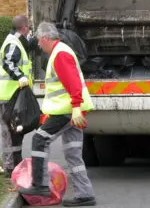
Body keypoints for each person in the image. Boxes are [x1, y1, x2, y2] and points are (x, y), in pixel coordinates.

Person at [19, 22, 97, 207]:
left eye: (39, 41)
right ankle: (85, 194)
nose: (38, 45)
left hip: (67, 111)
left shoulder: (60, 54)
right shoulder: (61, 51)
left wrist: (76, 106)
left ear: (46, 38)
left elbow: (73, 82)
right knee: (73, 154)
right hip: (72, 111)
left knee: (39, 139)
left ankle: (40, 185)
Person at [0, 15, 35, 177]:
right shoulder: (13, 44)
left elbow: (28, 46)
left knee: (15, 132)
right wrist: (20, 77)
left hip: (10, 94)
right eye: (29, 27)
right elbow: (8, 62)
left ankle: (14, 164)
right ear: (24, 28)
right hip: (8, 95)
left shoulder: (16, 41)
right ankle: (10, 167)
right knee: (11, 132)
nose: (30, 30)